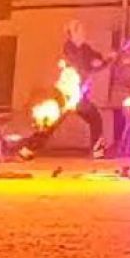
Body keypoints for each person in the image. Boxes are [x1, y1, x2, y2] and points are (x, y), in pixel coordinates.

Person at [19, 20, 111, 159]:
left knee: (95, 118)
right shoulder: (69, 48)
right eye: (79, 30)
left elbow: (97, 62)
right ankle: (28, 149)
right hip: (64, 93)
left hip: (78, 96)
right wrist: (93, 63)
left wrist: (107, 60)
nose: (83, 33)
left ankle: (98, 150)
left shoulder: (85, 48)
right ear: (72, 34)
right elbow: (82, 64)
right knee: (51, 123)